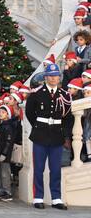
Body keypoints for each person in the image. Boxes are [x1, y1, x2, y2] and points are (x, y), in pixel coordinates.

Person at [25, 63, 72, 210]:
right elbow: (29, 112)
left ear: (59, 77)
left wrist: (64, 133)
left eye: (56, 76)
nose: (53, 78)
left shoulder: (65, 94)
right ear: (46, 77)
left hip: (57, 135)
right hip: (40, 135)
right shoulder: (36, 93)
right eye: (51, 76)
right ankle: (38, 197)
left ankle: (56, 198)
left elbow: (68, 117)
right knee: (38, 168)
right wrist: (38, 126)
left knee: (56, 168)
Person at [0, 105, 15, 202]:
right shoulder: (0, 125)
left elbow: (9, 141)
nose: (0, 114)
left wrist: (4, 153)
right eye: (0, 112)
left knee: (5, 173)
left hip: (4, 154)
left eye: (3, 112)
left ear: (8, 114)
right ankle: (0, 189)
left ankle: (7, 192)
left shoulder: (8, 126)